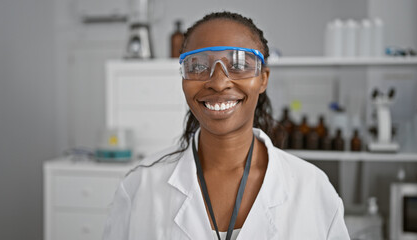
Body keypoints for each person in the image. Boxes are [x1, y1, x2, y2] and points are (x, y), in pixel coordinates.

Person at [103, 11, 350, 240]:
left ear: (263, 79)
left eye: (240, 65)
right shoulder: (140, 187)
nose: (219, 83)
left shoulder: (313, 188)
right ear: (183, 78)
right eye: (198, 66)